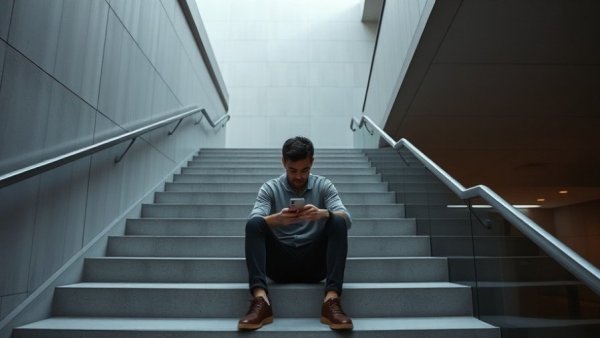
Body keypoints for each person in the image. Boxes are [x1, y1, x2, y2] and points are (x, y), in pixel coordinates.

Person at [238, 136, 353, 331]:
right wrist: (277, 219)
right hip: (279, 264)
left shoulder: (324, 185)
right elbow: (254, 221)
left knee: (337, 220)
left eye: (305, 170)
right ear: (283, 162)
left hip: (316, 264)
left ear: (312, 163)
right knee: (254, 224)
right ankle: (261, 300)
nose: (299, 176)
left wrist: (323, 213)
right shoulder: (270, 188)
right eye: (292, 170)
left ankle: (331, 301)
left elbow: (347, 219)